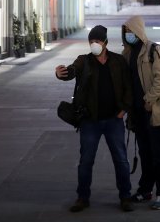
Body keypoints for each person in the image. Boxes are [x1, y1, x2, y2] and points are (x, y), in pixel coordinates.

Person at [55, 25, 134, 213]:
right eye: (91, 42)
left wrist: (123, 110)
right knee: (86, 160)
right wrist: (60, 73)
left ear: (105, 42)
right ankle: (82, 197)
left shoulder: (118, 61)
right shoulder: (84, 61)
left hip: (113, 120)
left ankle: (125, 196)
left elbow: (128, 88)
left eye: (97, 41)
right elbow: (71, 71)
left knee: (121, 159)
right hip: (90, 121)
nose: (94, 44)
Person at [121, 15, 160, 211]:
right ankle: (145, 189)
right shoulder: (126, 53)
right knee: (144, 152)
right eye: (126, 32)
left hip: (153, 110)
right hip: (137, 112)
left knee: (158, 152)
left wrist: (148, 100)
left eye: (131, 31)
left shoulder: (154, 50)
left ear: (139, 31)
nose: (129, 35)